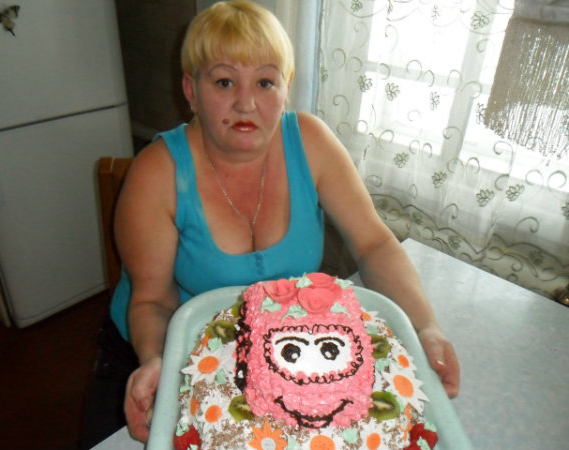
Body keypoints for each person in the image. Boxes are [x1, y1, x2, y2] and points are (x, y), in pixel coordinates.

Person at [82, 1, 460, 447]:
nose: (246, 103)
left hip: (281, 354)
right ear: (191, 90)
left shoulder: (312, 142)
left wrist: (425, 326)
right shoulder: (156, 173)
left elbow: (374, 244)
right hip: (158, 349)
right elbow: (151, 301)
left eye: (265, 82)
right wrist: (159, 364)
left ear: (286, 88)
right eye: (224, 81)